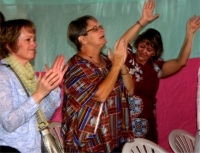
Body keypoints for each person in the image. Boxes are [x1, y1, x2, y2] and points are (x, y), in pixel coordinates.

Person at [120, 0, 200, 143]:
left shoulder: (156, 67)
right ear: (137, 44)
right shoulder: (127, 59)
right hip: (122, 125)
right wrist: (142, 21)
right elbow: (121, 44)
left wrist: (190, 33)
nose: (143, 51)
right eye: (142, 46)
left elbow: (181, 62)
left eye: (149, 49)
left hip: (146, 127)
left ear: (155, 53)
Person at [61, 16, 135, 152]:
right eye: (95, 28)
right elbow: (100, 95)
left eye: (100, 26)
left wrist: (121, 64)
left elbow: (130, 90)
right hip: (89, 143)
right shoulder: (75, 67)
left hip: (113, 138)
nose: (102, 29)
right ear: (82, 39)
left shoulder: (108, 62)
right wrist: (116, 65)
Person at [0, 19, 68, 153]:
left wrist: (54, 87)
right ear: (9, 45)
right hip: (13, 149)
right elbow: (9, 123)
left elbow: (44, 117)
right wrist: (38, 95)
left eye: (34, 39)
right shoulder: (3, 77)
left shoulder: (31, 76)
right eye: (28, 40)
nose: (34, 44)